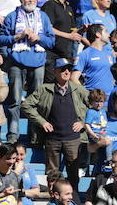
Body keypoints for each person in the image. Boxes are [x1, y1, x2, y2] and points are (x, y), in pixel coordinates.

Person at [21, 58, 89, 190]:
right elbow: (26, 105)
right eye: (63, 69)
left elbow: (95, 105)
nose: (67, 72)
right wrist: (42, 121)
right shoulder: (44, 89)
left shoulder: (78, 89)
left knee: (73, 174)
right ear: (55, 72)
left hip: (73, 139)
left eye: (69, 69)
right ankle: (53, 199)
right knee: (52, 174)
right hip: (53, 139)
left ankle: (73, 199)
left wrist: (83, 122)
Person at [0, 0, 55, 142]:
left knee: (35, 101)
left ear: (36, 0)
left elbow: (51, 41)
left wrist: (38, 38)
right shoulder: (12, 17)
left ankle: (34, 136)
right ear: (21, 0)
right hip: (16, 63)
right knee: (15, 100)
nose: (30, 0)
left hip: (38, 62)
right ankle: (12, 135)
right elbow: (1, 39)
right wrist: (18, 36)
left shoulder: (43, 17)